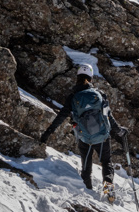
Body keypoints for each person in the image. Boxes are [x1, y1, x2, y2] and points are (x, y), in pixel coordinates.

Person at [40, 64, 128, 199]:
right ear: (91, 78)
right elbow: (108, 116)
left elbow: (61, 116)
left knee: (86, 167)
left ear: (77, 78)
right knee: (106, 162)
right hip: (103, 137)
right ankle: (108, 188)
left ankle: (87, 190)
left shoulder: (73, 97)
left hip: (84, 137)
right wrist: (119, 131)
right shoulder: (100, 94)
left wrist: (47, 134)